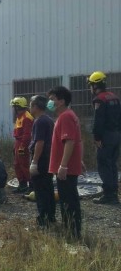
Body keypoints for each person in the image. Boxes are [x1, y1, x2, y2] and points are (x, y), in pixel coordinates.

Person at [47, 86, 83, 239]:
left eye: (52, 99)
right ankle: (72, 230)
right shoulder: (69, 115)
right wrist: (79, 159)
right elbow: (78, 140)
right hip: (68, 166)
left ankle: (72, 233)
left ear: (61, 101)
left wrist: (63, 165)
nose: (50, 102)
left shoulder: (66, 116)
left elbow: (69, 141)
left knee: (67, 201)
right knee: (70, 199)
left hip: (65, 169)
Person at [87, 71, 121, 205]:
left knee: (103, 164)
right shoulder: (115, 97)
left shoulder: (99, 99)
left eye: (91, 85)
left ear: (95, 85)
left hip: (106, 136)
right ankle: (113, 192)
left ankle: (109, 195)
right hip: (117, 135)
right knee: (112, 163)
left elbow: (98, 120)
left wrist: (97, 137)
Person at [28, 95, 56, 228]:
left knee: (40, 190)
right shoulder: (49, 120)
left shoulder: (40, 121)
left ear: (35, 106)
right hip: (49, 159)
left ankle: (43, 218)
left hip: (41, 160)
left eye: (30, 105)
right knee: (48, 188)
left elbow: (39, 142)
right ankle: (51, 216)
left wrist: (34, 162)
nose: (29, 107)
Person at [11, 96, 34, 193]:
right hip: (18, 142)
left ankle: (32, 186)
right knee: (17, 164)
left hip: (23, 143)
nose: (14, 109)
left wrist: (22, 147)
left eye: (15, 107)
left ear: (18, 107)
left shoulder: (26, 117)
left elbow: (27, 135)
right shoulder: (19, 117)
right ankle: (22, 185)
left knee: (24, 165)